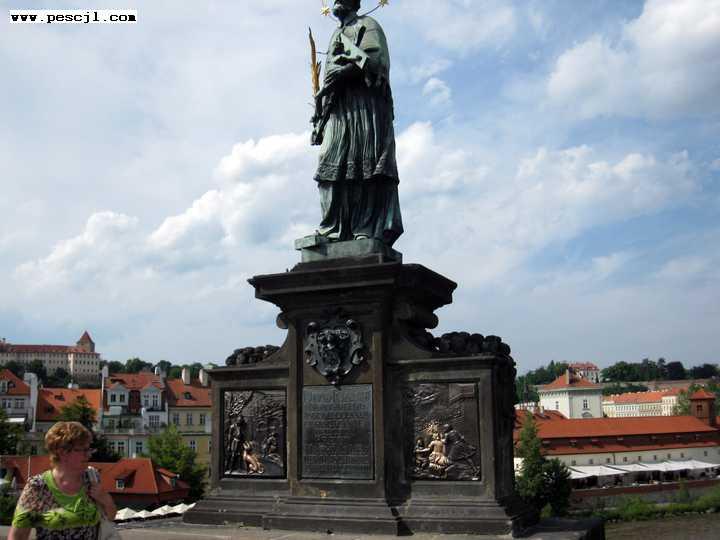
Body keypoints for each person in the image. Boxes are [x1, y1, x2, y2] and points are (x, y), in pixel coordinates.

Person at [311, 0, 403, 246]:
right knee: (328, 161)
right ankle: (332, 228)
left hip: (364, 104)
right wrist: (320, 116)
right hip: (339, 108)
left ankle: (365, 227)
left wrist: (346, 69)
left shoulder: (368, 25)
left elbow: (377, 62)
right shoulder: (336, 33)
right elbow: (329, 75)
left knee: (364, 162)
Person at [9, 421, 117, 540]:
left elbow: (110, 517)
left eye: (89, 449)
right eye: (83, 450)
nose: (89, 455)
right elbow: (17, 536)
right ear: (62, 452)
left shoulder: (92, 478)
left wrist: (106, 499)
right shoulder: (37, 487)